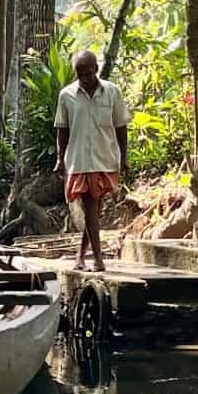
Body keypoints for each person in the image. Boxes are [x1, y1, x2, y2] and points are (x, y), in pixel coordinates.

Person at [54, 50, 130, 272]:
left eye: (87, 73)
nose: (84, 78)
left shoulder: (112, 92)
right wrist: (60, 158)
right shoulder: (66, 95)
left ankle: (79, 256)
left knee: (94, 211)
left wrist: (124, 157)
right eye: (79, 74)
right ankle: (97, 259)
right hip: (79, 160)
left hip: (105, 157)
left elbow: (121, 127)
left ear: (96, 69)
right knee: (89, 205)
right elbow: (62, 129)